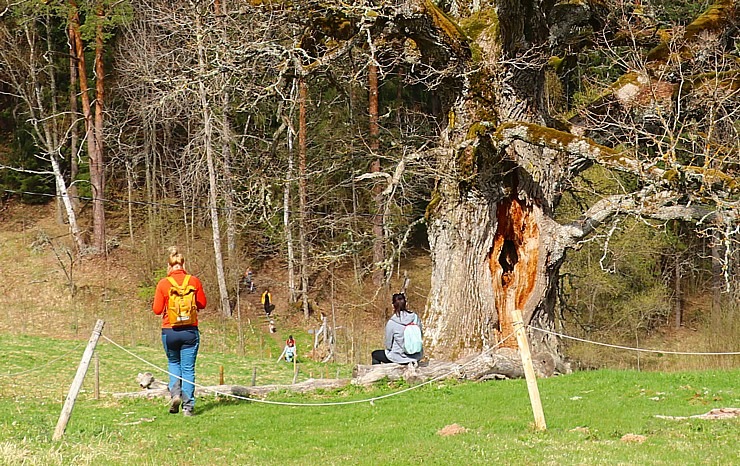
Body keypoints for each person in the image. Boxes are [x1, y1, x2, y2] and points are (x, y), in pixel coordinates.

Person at [152, 246, 207, 417]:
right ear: (183, 264)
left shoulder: (163, 283)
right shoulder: (194, 281)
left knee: (174, 364)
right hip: (190, 331)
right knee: (188, 369)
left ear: (169, 266)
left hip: (170, 331)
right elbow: (202, 304)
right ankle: (188, 407)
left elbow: (157, 309)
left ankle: (175, 394)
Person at [371, 293, 423, 365]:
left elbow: (388, 345)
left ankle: (377, 374)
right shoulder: (415, 318)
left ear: (393, 305)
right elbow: (420, 335)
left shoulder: (392, 322)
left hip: (399, 357)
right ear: (406, 303)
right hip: (416, 356)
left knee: (375, 354)